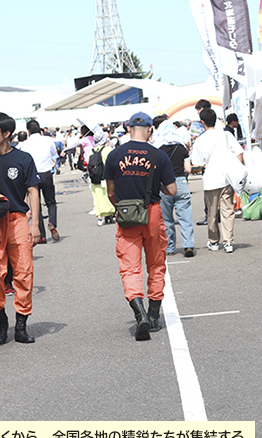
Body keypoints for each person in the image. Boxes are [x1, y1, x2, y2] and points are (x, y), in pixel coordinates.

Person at [103, 112, 176, 341]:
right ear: (149, 130)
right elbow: (172, 190)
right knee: (156, 263)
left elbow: (111, 193)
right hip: (152, 211)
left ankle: (139, 311)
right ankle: (154, 315)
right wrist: (159, 189)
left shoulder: (115, 155)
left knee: (130, 266)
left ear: (128, 130)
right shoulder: (159, 155)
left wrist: (122, 208)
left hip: (127, 214)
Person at [0, 112, 41, 345]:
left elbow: (33, 190)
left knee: (23, 272)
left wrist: (35, 224)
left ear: (7, 134)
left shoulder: (23, 159)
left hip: (18, 220)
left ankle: (21, 325)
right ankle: (1, 321)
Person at [190, 108, 245, 254]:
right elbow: (239, 153)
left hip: (211, 179)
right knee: (228, 210)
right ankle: (228, 242)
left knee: (212, 213)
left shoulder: (200, 140)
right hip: (227, 177)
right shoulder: (226, 135)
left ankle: (214, 241)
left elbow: (198, 162)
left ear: (202, 122)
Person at [153, 117, 195, 257]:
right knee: (185, 217)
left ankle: (170, 247)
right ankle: (188, 245)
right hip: (182, 182)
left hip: (165, 185)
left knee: (167, 219)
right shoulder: (181, 148)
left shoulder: (158, 150)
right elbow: (188, 169)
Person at [18, 119, 60, 242]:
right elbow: (53, 153)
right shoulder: (48, 140)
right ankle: (52, 222)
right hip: (46, 173)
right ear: (40, 129)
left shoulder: (24, 144)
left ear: (28, 131)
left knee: (37, 205)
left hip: (31, 176)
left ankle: (41, 235)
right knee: (51, 201)